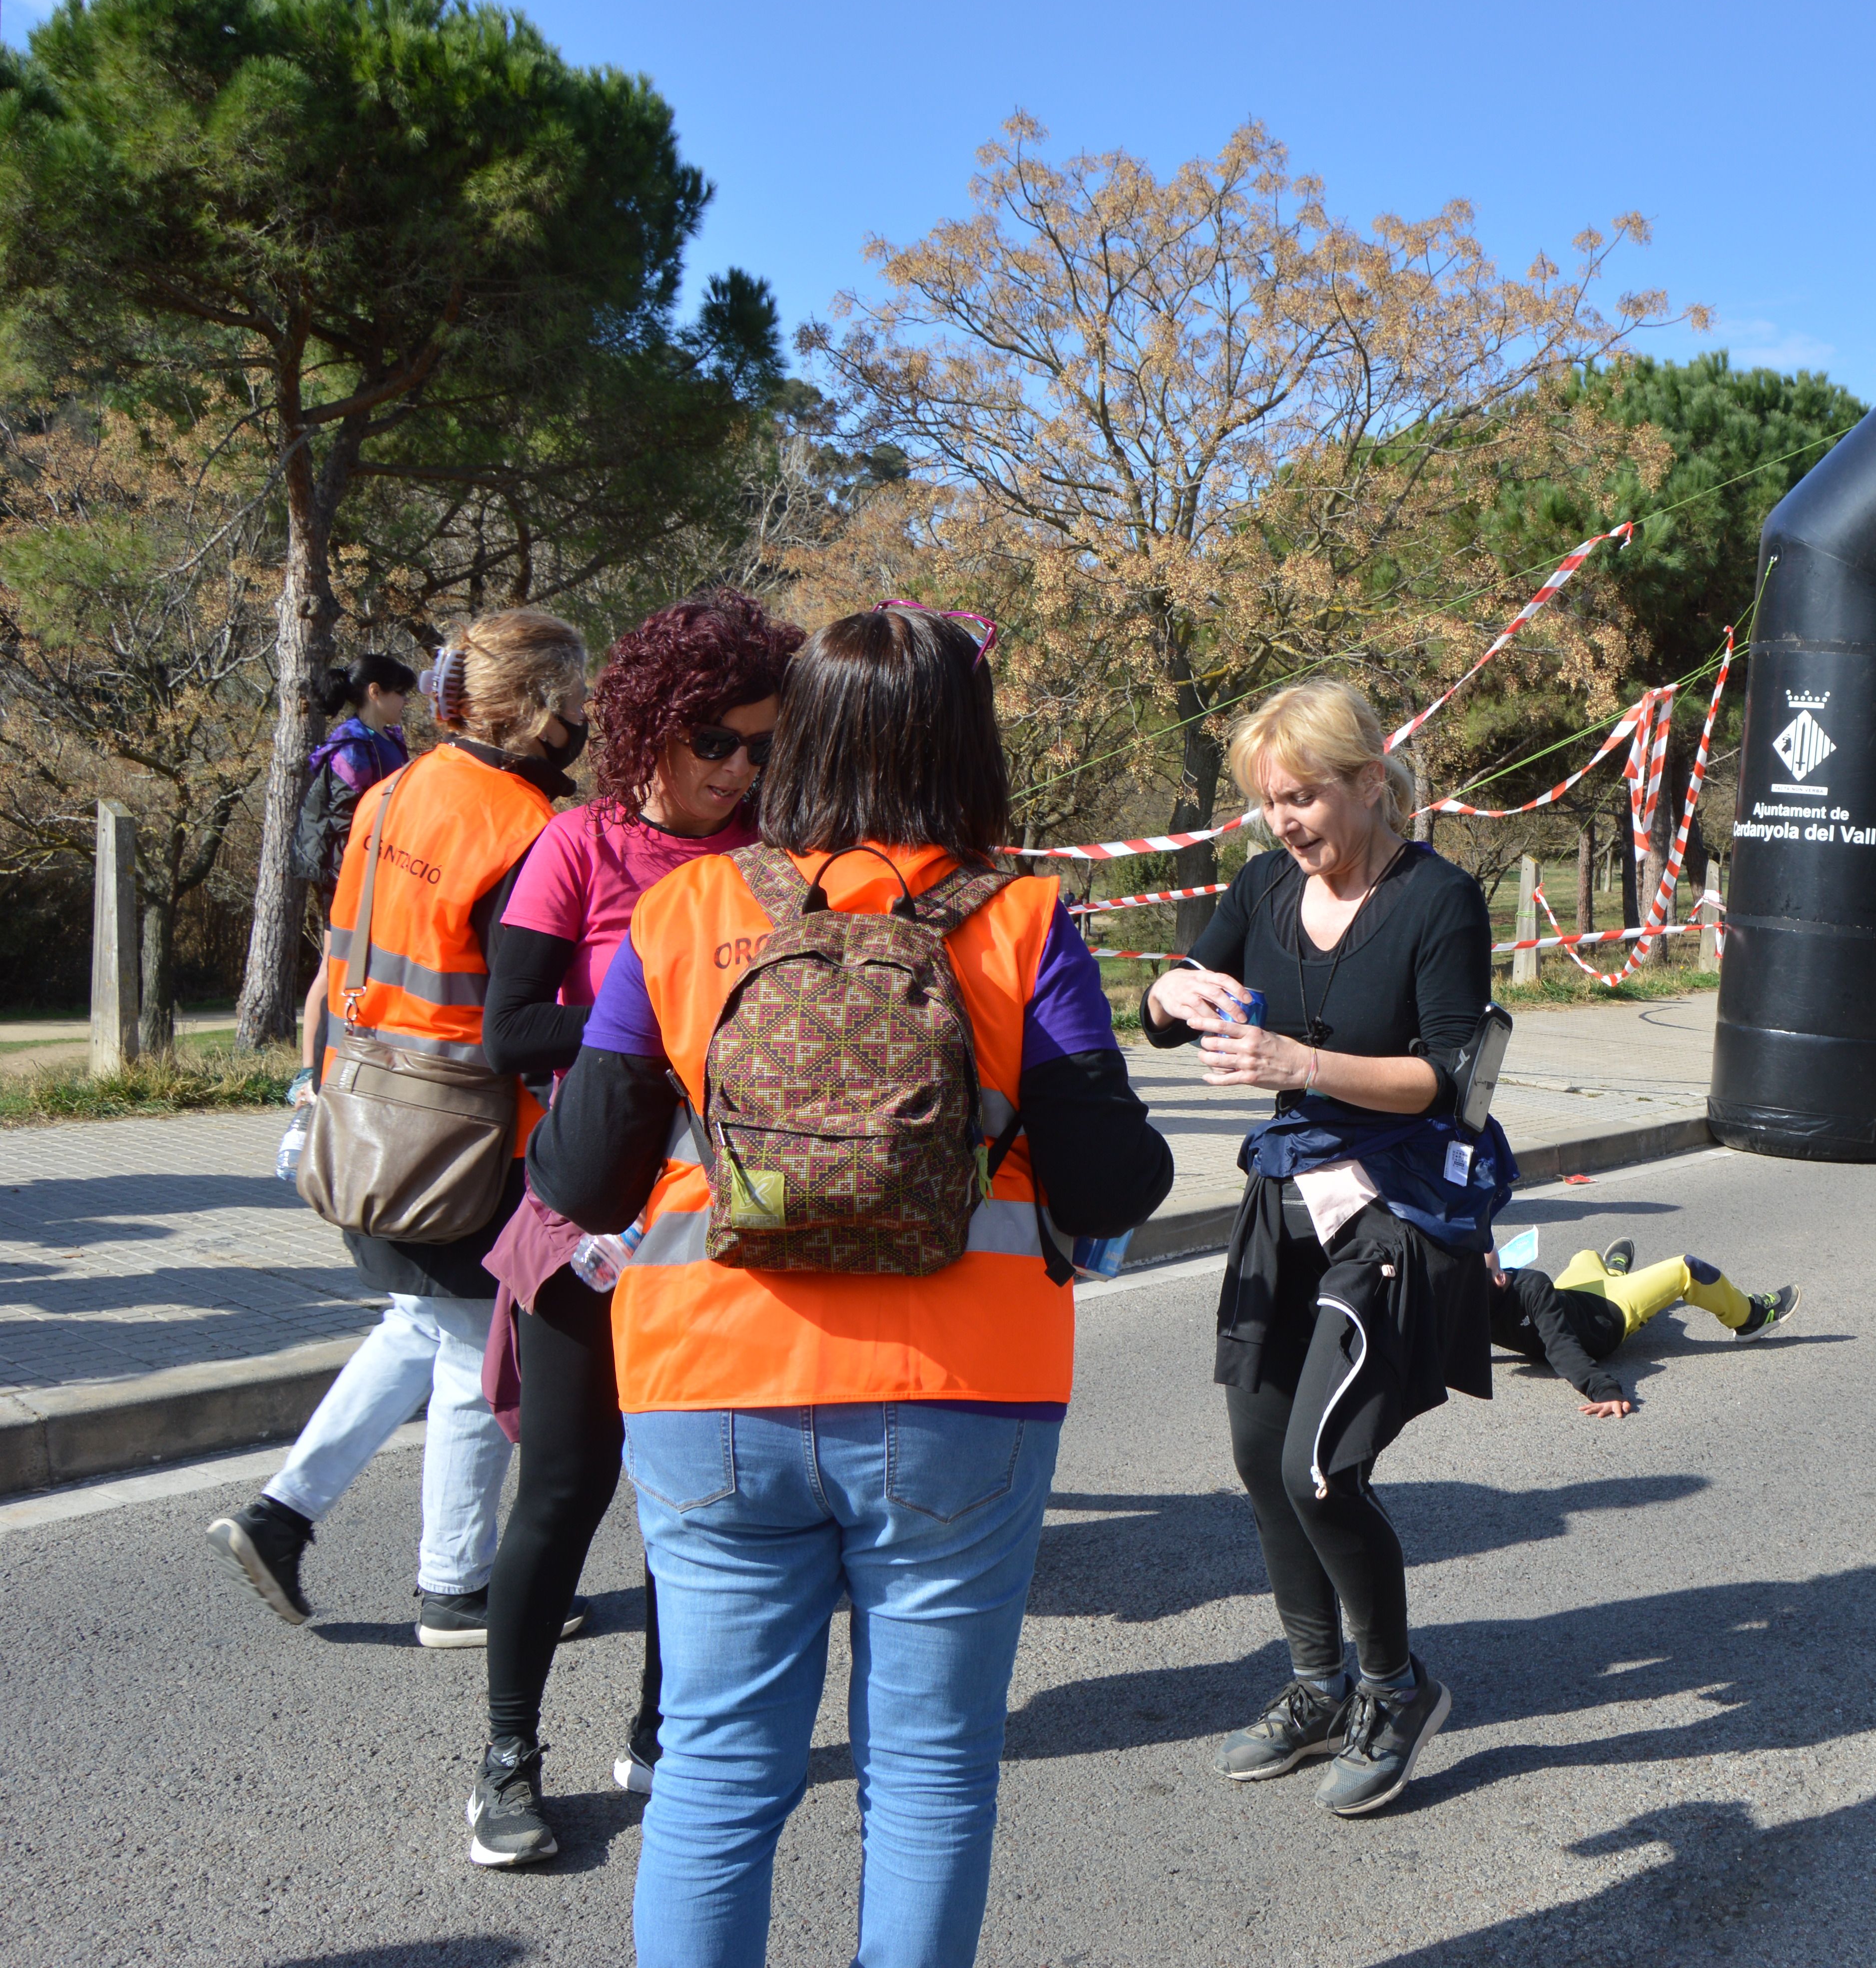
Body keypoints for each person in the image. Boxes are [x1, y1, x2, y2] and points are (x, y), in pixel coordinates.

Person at [528, 605, 1171, 1961]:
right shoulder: (1025, 920)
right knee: (929, 1775)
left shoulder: (684, 906)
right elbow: (1114, 1186)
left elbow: (582, 1179)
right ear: (968, 743)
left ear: (797, 738)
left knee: (715, 1772)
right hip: (962, 1394)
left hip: (710, 1385)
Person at [468, 586, 807, 1866]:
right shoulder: (578, 846)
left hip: (722, 1223)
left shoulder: (775, 859)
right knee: (561, 1491)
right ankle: (507, 1756)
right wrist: (656, 1036)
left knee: (694, 1499)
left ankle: (669, 1733)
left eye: (764, 748)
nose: (739, 770)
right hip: (587, 1211)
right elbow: (510, 1030)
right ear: (651, 726)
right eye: (715, 740)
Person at [1141, 678, 1507, 1818]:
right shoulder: (1261, 885)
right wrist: (1167, 987)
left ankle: (1395, 1688)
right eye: (1269, 803)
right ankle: (1314, 1683)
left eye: (1301, 797)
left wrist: (1299, 1063)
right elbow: (1173, 1000)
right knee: (1260, 1458)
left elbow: (1447, 1081)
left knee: (1318, 1467)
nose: (1284, 822)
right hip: (1283, 1204)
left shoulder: (1436, 898)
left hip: (1392, 1213)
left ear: (1366, 782)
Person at [208, 611, 592, 1649]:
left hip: (362, 1102)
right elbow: (524, 1004)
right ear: (536, 710)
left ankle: (279, 1516)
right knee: (474, 1346)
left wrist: (308, 1079)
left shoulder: (391, 789)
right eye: (579, 699)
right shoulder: (521, 824)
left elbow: (343, 951)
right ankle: (456, 1585)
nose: (588, 718)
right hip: (469, 1128)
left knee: (416, 1324)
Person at [1491, 1235, 1798, 1414]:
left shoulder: (1461, 1307)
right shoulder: (1530, 1287)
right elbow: (1561, 1345)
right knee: (1689, 1269)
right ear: (1500, 1277)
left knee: (1585, 1256)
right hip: (1609, 1316)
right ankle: (1749, 1316)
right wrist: (1604, 1390)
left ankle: (1615, 1274)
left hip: (1571, 1298)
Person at [293, 651, 418, 895]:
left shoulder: (387, 739)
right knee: (342, 934)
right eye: (400, 693)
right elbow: (346, 817)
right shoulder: (351, 745)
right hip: (346, 874)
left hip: (379, 864)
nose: (406, 701)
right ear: (375, 692)